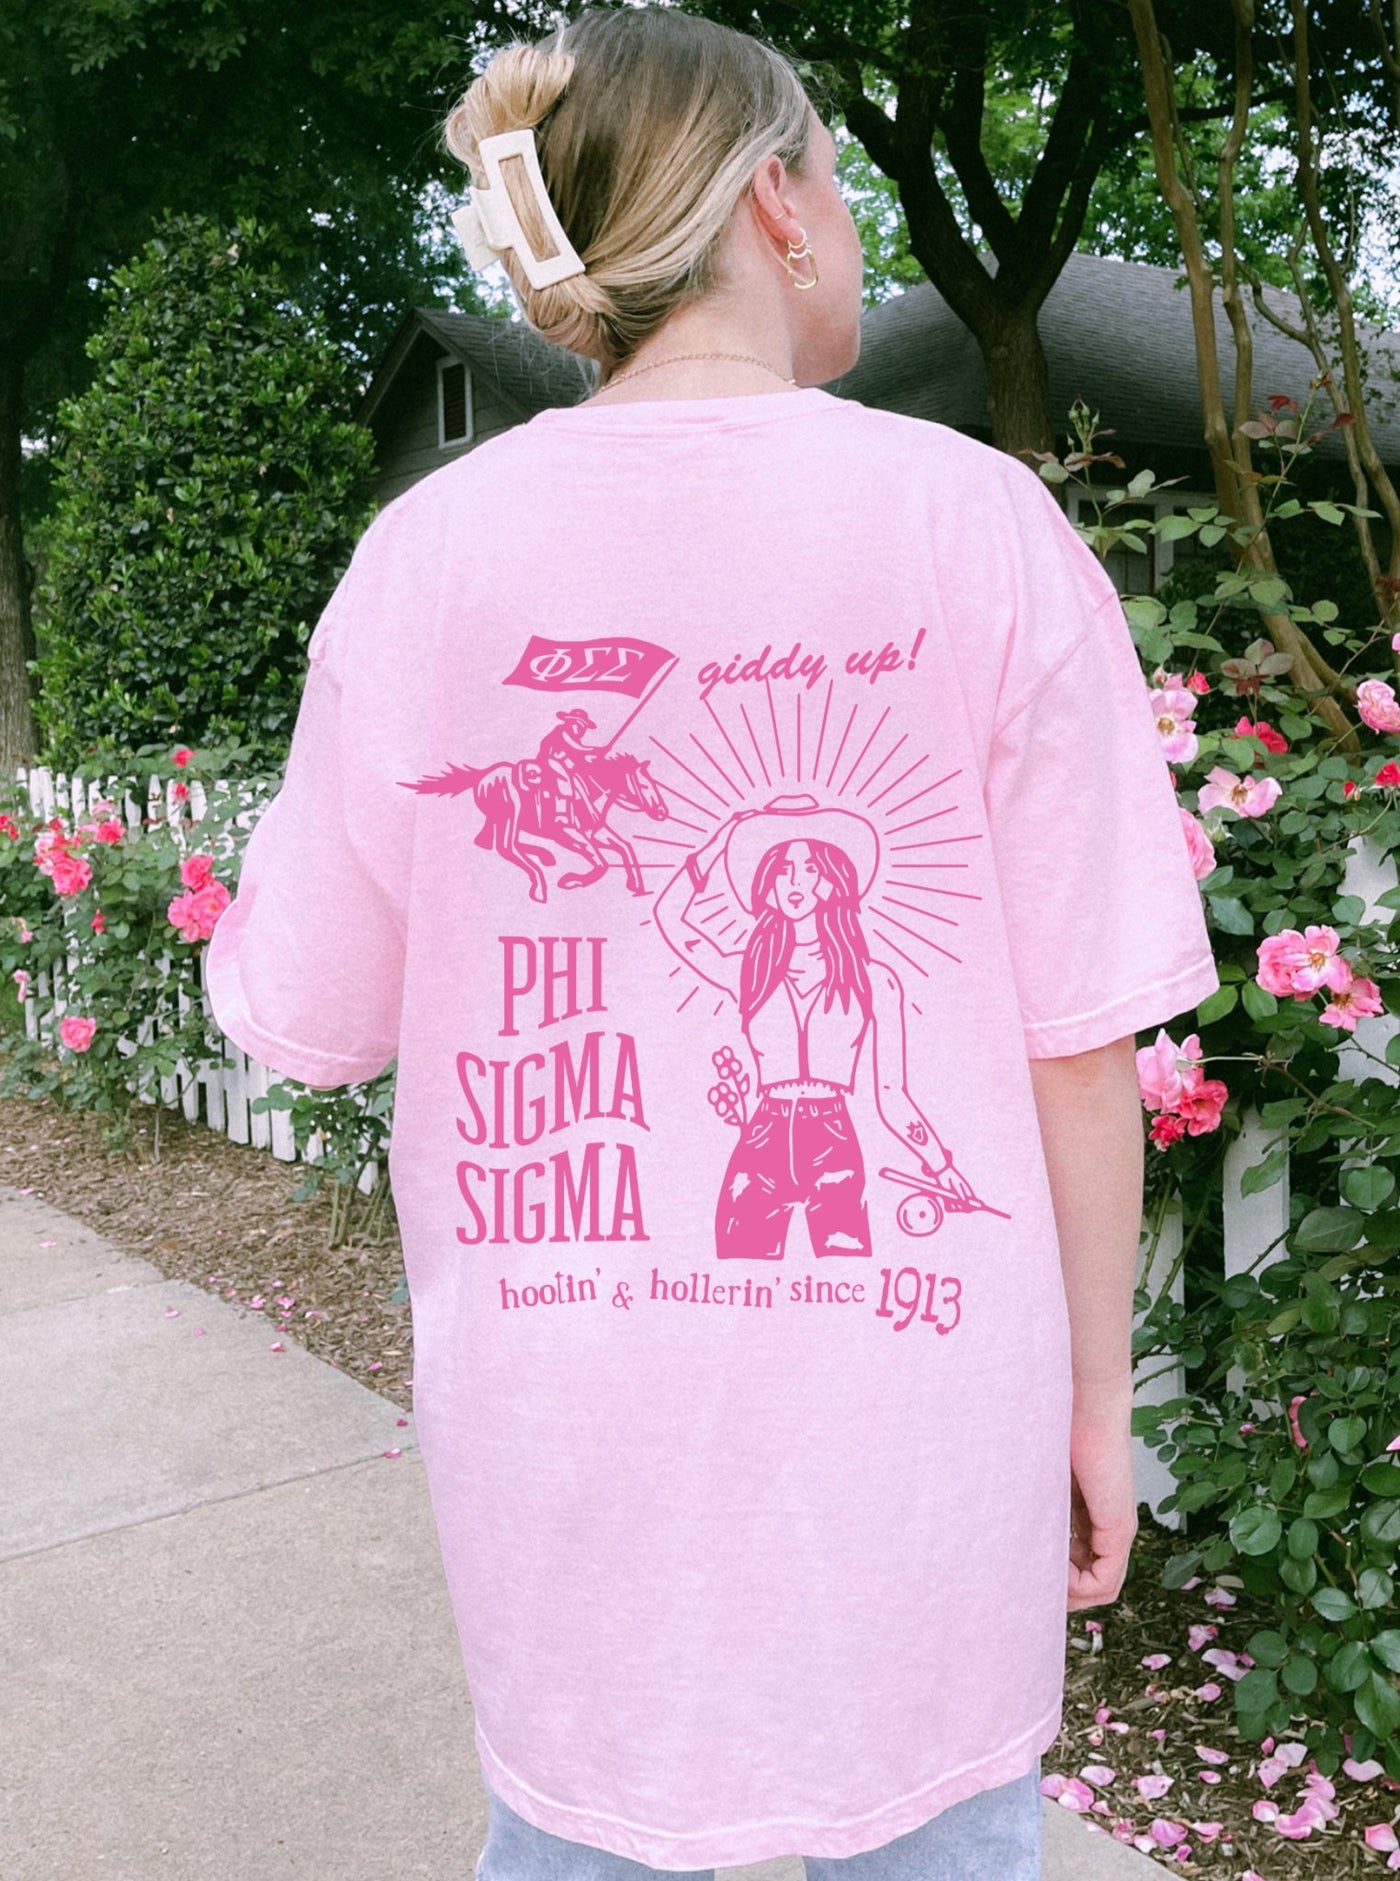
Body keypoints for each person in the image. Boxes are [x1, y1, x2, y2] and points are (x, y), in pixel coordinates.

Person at [204, 9, 1220, 1880]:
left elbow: (307, 1011)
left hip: (570, 1463)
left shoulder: (431, 555)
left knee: (576, 1836)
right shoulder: (980, 524)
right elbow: (1079, 1042)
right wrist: (1094, 1401)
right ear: (776, 201)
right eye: (834, 169)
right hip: (918, 1456)